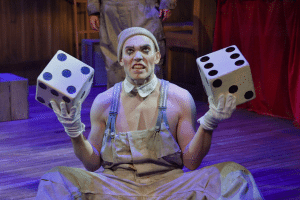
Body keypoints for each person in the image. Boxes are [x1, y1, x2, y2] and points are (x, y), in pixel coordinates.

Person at [36, 27, 264, 199]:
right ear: (121, 59)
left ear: (157, 57)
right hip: (115, 187)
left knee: (236, 176)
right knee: (55, 179)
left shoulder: (179, 97)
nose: (137, 57)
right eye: (130, 51)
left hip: (169, 187)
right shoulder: (104, 102)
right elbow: (92, 164)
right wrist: (74, 131)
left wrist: (210, 122)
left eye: (145, 50)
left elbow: (192, 163)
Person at [87, 0, 176, 89]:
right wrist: (93, 9)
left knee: (148, 55)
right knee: (115, 60)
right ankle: (118, 99)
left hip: (145, 9)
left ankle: (150, 99)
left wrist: (167, 3)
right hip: (111, 11)